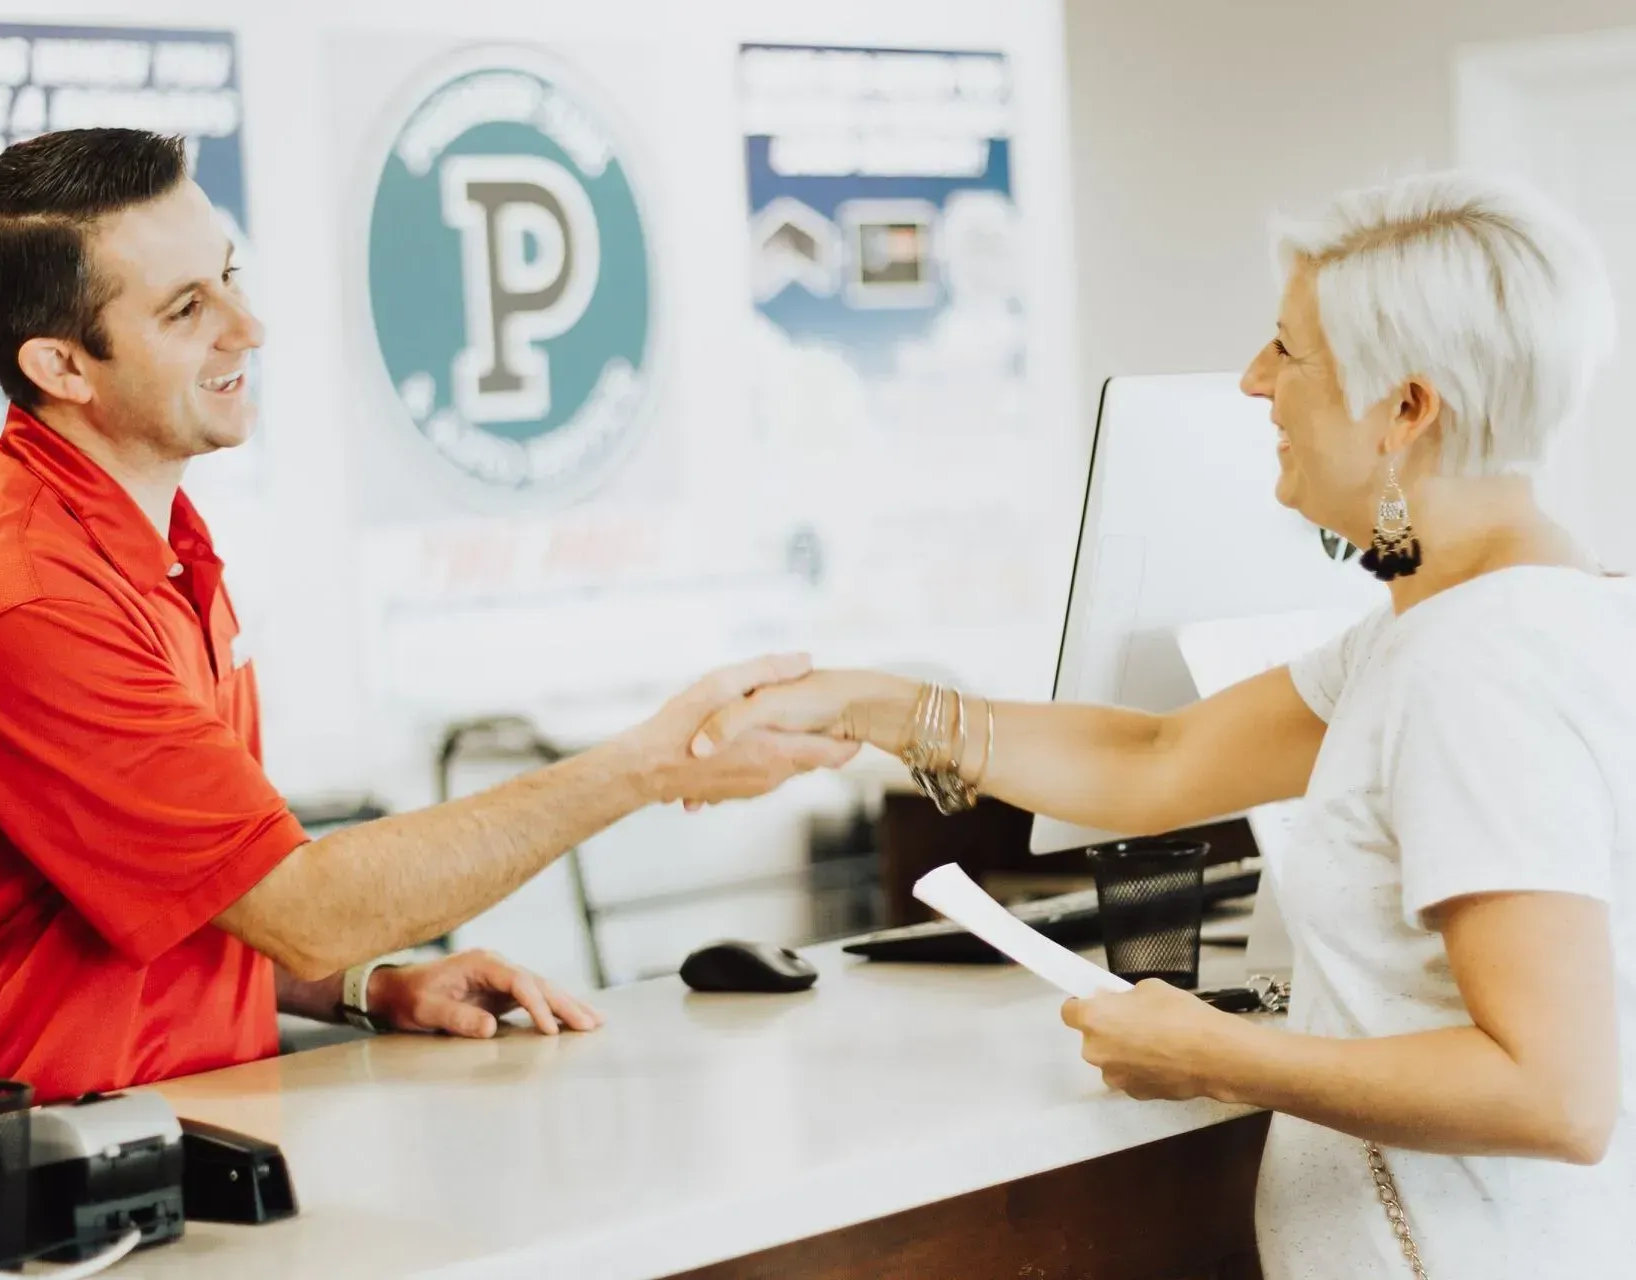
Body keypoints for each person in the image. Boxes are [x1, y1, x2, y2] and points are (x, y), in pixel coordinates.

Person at [698, 171, 1634, 1276]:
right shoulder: (1500, 616)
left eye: (1287, 350)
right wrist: (869, 704)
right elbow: (1158, 759)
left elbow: (1553, 1090)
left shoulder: (1473, 667)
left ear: (1406, 410)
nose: (1253, 380)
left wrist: (1217, 1053)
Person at [0, 128, 855, 1137]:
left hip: (165, 1132)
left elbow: (196, 892)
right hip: (16, 1172)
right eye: (187, 308)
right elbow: (304, 907)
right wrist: (643, 767)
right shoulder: (25, 599)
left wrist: (364, 984)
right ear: (62, 364)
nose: (247, 327)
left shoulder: (159, 544)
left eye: (229, 277)